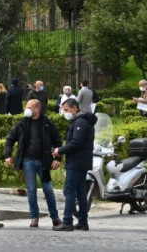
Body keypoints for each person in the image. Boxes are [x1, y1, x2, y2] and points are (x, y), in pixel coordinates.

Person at [4, 99, 63, 228]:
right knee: (31, 190)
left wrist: (57, 159)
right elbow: (10, 139)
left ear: (37, 109)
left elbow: (58, 141)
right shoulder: (22, 123)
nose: (27, 109)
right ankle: (34, 218)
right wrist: (7, 155)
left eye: (29, 107)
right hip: (28, 161)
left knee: (48, 190)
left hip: (44, 161)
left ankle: (55, 217)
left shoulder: (47, 123)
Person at [52, 98, 97, 231]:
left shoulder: (80, 122)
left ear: (75, 108)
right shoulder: (81, 121)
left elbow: (76, 143)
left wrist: (59, 150)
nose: (64, 112)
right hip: (81, 161)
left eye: (66, 110)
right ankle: (83, 221)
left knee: (69, 191)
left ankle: (67, 221)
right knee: (80, 192)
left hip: (76, 162)